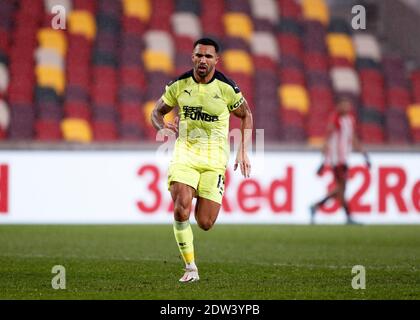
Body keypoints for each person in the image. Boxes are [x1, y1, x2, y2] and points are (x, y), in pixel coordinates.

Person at [151, 38, 253, 282]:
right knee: (181, 206)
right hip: (185, 154)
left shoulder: (227, 88)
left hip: (214, 160)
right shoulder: (179, 85)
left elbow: (246, 114)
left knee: (205, 222)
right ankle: (190, 268)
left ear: (217, 60)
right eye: (199, 55)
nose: (203, 60)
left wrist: (243, 150)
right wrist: (163, 126)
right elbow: (156, 112)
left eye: (208, 56)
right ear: (192, 57)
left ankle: (193, 189)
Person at [310, 97, 371, 225]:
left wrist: (364, 154)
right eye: (344, 104)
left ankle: (317, 206)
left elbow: (353, 139)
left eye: (348, 104)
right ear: (339, 105)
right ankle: (346, 216)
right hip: (336, 160)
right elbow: (327, 138)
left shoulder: (350, 120)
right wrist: (323, 160)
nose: (347, 107)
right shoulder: (336, 118)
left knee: (341, 189)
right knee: (341, 188)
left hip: (344, 159)